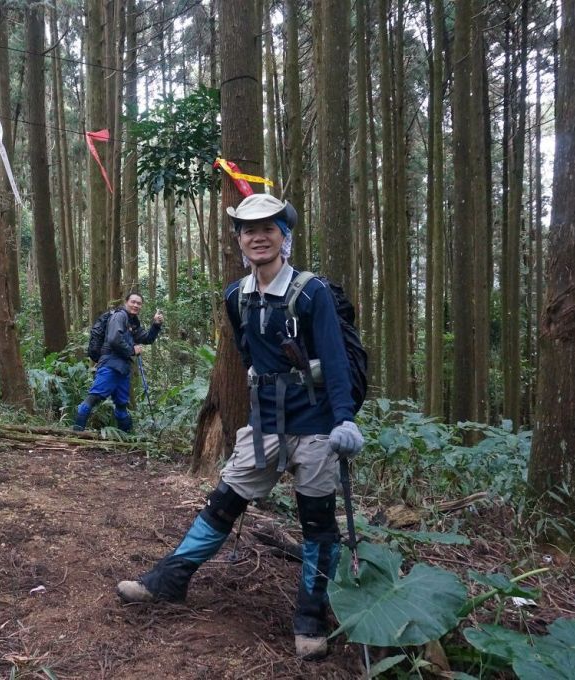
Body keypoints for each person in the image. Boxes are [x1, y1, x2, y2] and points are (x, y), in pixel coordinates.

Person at [115, 194, 364, 660]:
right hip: (264, 423)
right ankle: (171, 579)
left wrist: (345, 419)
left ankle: (311, 614)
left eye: (268, 229)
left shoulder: (314, 294)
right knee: (223, 502)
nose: (258, 237)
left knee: (317, 522)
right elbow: (250, 356)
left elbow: (334, 360)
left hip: (315, 426)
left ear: (284, 239)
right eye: (249, 231)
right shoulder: (236, 297)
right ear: (240, 242)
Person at [73, 293, 164, 432]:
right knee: (94, 398)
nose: (136, 305)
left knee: (121, 404)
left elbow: (146, 339)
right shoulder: (119, 316)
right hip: (110, 364)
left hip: (123, 368)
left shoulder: (132, 322)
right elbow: (114, 339)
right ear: (126, 302)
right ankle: (76, 433)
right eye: (133, 302)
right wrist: (132, 350)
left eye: (139, 303)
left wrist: (156, 325)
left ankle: (125, 441)